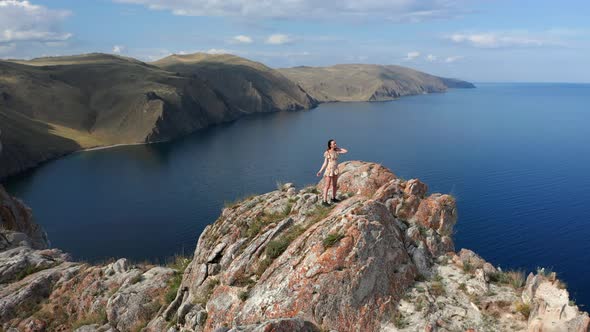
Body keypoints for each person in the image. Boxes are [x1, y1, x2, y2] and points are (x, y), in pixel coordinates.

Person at [316, 139, 348, 206]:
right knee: (327, 186)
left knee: (334, 185)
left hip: (335, 169)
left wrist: (337, 148)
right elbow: (325, 163)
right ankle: (324, 201)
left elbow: (345, 151)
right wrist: (320, 171)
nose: (335, 144)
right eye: (334, 144)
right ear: (330, 145)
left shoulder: (336, 151)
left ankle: (333, 198)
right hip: (329, 169)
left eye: (335, 143)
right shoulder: (327, 152)